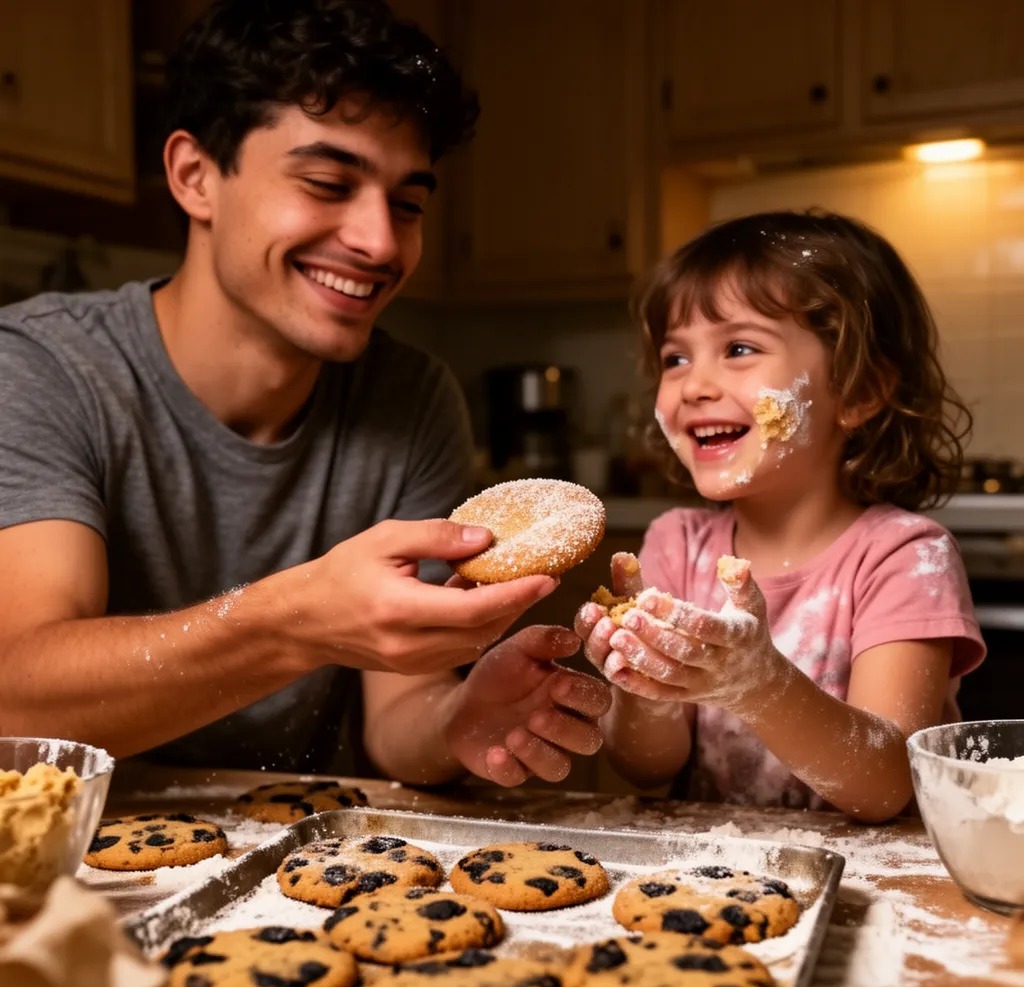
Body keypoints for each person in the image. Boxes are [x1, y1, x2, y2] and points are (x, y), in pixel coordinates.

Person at [0, 0, 611, 788]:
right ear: (194, 177)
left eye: (409, 203)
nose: (380, 242)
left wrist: (459, 721)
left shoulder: (412, 399)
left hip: (297, 869)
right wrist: (295, 624)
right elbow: (16, 700)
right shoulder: (41, 368)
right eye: (327, 183)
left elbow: (400, 717)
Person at [575, 209, 985, 823]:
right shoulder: (675, 546)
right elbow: (647, 769)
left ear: (858, 390)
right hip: (718, 886)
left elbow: (888, 784)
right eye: (675, 358)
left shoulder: (902, 556)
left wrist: (760, 684)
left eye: (738, 348)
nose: (693, 387)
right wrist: (644, 686)